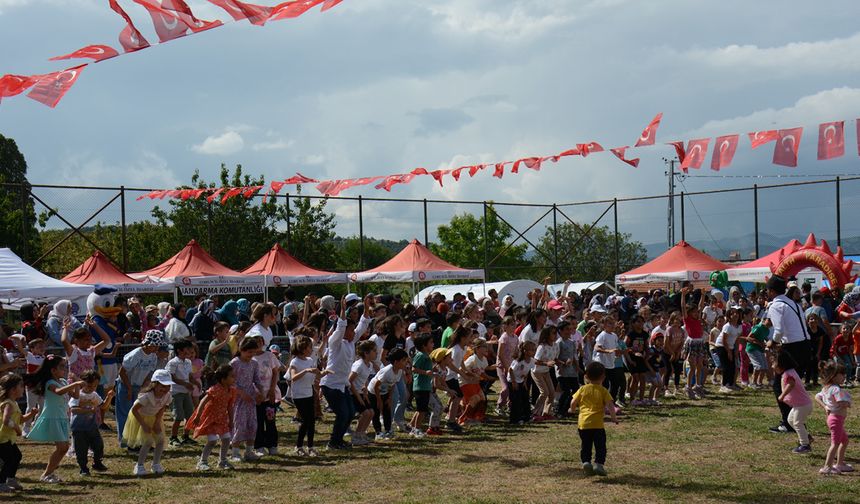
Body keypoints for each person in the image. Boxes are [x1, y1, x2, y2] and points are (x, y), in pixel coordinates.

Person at [320, 295, 372, 450]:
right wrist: (342, 310)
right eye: (350, 329)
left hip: (342, 385)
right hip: (330, 385)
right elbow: (341, 327)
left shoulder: (350, 342)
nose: (353, 332)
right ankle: (333, 442)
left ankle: (339, 440)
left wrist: (367, 307)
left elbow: (362, 325)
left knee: (350, 413)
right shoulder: (335, 342)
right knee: (343, 414)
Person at [25, 355, 86, 483]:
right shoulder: (50, 383)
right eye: (62, 367)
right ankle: (47, 474)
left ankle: (49, 473)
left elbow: (75, 395)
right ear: (53, 370)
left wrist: (75, 382)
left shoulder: (63, 381)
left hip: (62, 417)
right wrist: (75, 383)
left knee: (64, 448)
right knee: (62, 448)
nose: (65, 369)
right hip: (53, 417)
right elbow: (58, 392)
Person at [766, 275, 812, 434]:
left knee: (779, 385)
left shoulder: (776, 305)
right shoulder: (795, 303)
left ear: (771, 291)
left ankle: (788, 422)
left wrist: (772, 342)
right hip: (805, 345)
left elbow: (778, 331)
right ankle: (796, 420)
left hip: (792, 347)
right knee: (794, 384)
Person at [569, 362, 617, 477]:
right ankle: (599, 464)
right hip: (597, 424)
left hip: (583, 424)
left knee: (585, 445)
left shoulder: (582, 389)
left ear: (586, 376)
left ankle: (586, 462)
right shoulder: (603, 390)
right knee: (600, 446)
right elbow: (610, 405)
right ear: (603, 377)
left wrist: (572, 410)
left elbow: (573, 402)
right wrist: (613, 417)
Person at [116, 331, 162, 448]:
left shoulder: (153, 356)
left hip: (140, 386)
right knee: (125, 413)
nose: (155, 347)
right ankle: (125, 440)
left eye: (157, 345)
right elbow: (122, 371)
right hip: (126, 384)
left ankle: (137, 440)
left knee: (138, 413)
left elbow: (149, 374)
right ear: (146, 343)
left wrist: (143, 389)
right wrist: (129, 388)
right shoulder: (135, 355)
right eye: (153, 345)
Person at [125, 369, 175, 476]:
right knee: (147, 442)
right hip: (141, 418)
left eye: (168, 386)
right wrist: (144, 425)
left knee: (160, 440)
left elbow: (162, 408)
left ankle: (156, 464)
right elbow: (134, 410)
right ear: (154, 385)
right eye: (162, 386)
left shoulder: (167, 396)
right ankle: (139, 465)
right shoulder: (146, 396)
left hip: (155, 417)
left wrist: (157, 422)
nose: (165, 389)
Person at [187, 364, 237, 471]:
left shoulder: (231, 390)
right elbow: (203, 401)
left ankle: (222, 461)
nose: (234, 378)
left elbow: (230, 407)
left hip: (222, 419)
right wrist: (198, 415)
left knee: (227, 439)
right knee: (212, 441)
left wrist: (231, 420)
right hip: (211, 419)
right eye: (232, 376)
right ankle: (202, 462)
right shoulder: (214, 389)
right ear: (223, 379)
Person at [0, 373, 39, 493]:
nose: (23, 388)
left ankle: (10, 479)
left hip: (8, 439)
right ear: (13, 390)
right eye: (21, 386)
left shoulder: (14, 403)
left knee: (17, 456)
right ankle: (1, 483)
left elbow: (20, 419)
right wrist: (17, 429)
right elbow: (6, 420)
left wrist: (31, 414)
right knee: (9, 460)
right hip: (2, 438)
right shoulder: (8, 404)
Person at [69, 370, 113, 476]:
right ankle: (83, 468)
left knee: (98, 445)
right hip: (78, 428)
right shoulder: (78, 395)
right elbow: (74, 410)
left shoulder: (94, 395)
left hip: (92, 426)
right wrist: (89, 410)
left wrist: (109, 397)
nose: (92, 388)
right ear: (82, 383)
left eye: (95, 386)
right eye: (89, 385)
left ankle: (97, 463)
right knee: (81, 449)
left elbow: (103, 406)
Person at [815, 360, 853, 475]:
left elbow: (817, 397)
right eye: (842, 374)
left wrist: (825, 406)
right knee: (835, 444)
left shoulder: (826, 388)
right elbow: (841, 402)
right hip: (836, 420)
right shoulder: (836, 389)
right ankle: (827, 467)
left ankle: (840, 464)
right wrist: (848, 403)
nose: (844, 376)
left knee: (844, 441)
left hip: (834, 419)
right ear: (834, 376)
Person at [773, 351, 813, 454]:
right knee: (790, 420)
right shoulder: (790, 371)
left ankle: (805, 445)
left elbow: (791, 384)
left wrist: (782, 395)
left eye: (774, 362)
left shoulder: (788, 374)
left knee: (797, 423)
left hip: (803, 405)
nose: (773, 365)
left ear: (781, 364)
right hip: (800, 405)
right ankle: (807, 437)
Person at [230, 338, 263, 462]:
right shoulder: (234, 363)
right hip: (238, 399)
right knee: (239, 423)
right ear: (242, 350)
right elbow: (230, 382)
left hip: (250, 398)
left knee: (252, 424)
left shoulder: (254, 363)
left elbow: (257, 379)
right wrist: (240, 392)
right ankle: (235, 452)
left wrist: (261, 392)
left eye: (254, 352)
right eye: (249, 352)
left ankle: (249, 451)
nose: (251, 355)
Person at [289, 336, 322, 457]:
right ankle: (298, 446)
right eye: (309, 347)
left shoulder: (309, 360)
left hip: (309, 392)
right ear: (302, 348)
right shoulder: (295, 361)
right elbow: (293, 377)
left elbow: (316, 375)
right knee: (306, 420)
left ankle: (311, 446)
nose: (311, 349)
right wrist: (306, 371)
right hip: (298, 395)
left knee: (311, 421)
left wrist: (323, 373)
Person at [368, 348, 410, 440]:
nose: (405, 363)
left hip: (385, 392)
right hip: (374, 392)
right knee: (376, 411)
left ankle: (388, 430)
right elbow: (376, 386)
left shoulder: (399, 371)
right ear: (395, 362)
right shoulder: (387, 371)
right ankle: (378, 432)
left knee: (387, 410)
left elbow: (393, 384)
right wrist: (379, 400)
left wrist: (390, 397)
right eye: (403, 361)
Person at [250, 334, 281, 456]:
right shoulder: (250, 358)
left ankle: (272, 444)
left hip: (269, 394)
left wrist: (272, 390)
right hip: (256, 396)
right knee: (257, 420)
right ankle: (259, 445)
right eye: (255, 341)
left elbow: (275, 372)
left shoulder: (270, 356)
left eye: (260, 341)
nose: (258, 344)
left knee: (270, 419)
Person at [167, 338, 200, 447]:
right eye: (187, 349)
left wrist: (195, 382)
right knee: (178, 416)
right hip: (176, 393)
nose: (190, 352)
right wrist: (186, 384)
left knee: (190, 415)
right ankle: (173, 437)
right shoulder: (173, 362)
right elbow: (172, 378)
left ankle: (186, 436)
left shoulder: (188, 362)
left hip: (186, 393)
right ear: (180, 350)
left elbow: (190, 376)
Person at [348, 340, 377, 446]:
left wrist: (365, 388)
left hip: (361, 392)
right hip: (353, 393)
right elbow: (349, 381)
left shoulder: (369, 365)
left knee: (371, 413)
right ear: (366, 353)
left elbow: (364, 379)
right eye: (374, 351)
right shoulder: (358, 365)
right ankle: (356, 437)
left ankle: (361, 434)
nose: (376, 353)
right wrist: (358, 397)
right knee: (365, 413)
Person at [459, 337, 493, 425]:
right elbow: (462, 370)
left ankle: (477, 417)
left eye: (486, 346)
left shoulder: (484, 359)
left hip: (474, 382)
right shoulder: (472, 359)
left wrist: (490, 377)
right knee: (475, 399)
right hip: (465, 382)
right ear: (477, 349)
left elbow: (482, 371)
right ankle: (465, 419)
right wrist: (472, 374)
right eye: (484, 346)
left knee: (482, 397)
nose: (487, 348)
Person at [409, 333, 435, 436]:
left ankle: (412, 426)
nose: (433, 344)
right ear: (424, 345)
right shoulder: (420, 355)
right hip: (420, 386)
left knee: (421, 409)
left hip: (425, 386)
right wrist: (425, 372)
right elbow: (413, 368)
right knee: (422, 410)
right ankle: (416, 429)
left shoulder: (426, 356)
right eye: (431, 342)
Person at [531, 327, 559, 421]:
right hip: (537, 372)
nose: (556, 335)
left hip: (546, 371)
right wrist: (546, 363)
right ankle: (535, 413)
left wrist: (560, 362)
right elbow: (535, 360)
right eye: (553, 333)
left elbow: (554, 358)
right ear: (547, 335)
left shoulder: (555, 345)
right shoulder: (542, 346)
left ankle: (546, 412)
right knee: (544, 392)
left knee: (551, 392)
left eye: (556, 333)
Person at [555, 321, 580, 418]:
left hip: (572, 371)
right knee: (565, 391)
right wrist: (563, 363)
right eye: (566, 329)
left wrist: (577, 366)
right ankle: (560, 410)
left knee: (575, 390)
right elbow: (555, 358)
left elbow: (574, 356)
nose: (569, 331)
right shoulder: (558, 343)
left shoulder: (572, 342)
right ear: (560, 331)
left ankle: (568, 409)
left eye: (570, 329)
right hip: (562, 372)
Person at [715, 308, 742, 393]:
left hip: (731, 347)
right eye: (733, 313)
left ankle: (730, 384)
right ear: (729, 316)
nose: (736, 315)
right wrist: (729, 352)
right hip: (721, 346)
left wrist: (736, 350)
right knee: (726, 366)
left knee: (732, 366)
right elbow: (724, 340)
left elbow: (737, 339)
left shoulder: (739, 326)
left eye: (737, 313)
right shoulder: (727, 326)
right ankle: (723, 386)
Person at [509, 341, 536, 424]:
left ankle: (526, 417)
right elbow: (510, 370)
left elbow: (527, 371)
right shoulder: (519, 361)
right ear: (525, 351)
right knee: (516, 400)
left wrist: (524, 381)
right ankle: (515, 419)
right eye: (532, 350)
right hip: (513, 381)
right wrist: (514, 382)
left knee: (525, 399)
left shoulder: (532, 361)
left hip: (521, 381)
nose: (533, 352)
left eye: (534, 350)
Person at [496, 316, 518, 415]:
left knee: (512, 387)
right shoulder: (504, 337)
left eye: (514, 324)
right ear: (505, 326)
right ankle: (499, 405)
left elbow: (515, 352)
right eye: (511, 324)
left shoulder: (515, 337)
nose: (514, 326)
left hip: (511, 366)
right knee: (505, 388)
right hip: (502, 366)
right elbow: (500, 354)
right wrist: (505, 367)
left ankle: (510, 405)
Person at [745, 320, 770, 389]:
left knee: (765, 367)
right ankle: (753, 383)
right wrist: (760, 343)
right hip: (752, 348)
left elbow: (765, 338)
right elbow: (749, 338)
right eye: (769, 320)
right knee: (758, 366)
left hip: (760, 349)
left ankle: (759, 383)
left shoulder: (767, 330)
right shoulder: (758, 327)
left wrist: (771, 343)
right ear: (765, 320)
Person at [830, 322, 855, 387]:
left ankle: (847, 380)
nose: (846, 330)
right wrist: (839, 359)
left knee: (849, 366)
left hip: (844, 353)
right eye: (844, 328)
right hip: (835, 354)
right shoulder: (838, 338)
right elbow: (834, 350)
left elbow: (850, 351)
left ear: (850, 330)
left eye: (847, 328)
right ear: (841, 330)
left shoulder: (850, 338)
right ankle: (835, 382)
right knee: (838, 366)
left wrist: (852, 360)